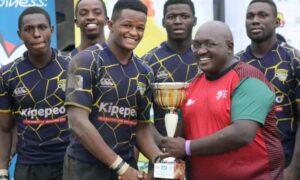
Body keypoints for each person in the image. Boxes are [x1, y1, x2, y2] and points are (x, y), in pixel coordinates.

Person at [160, 21, 284, 180]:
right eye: (196, 45)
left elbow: (242, 133)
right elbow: (180, 139)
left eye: (209, 44)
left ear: (229, 47)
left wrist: (187, 147)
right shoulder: (194, 84)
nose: (201, 51)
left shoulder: (249, 78)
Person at [63, 1, 164, 180]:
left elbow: (141, 128)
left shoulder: (145, 72)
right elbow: (77, 122)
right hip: (85, 168)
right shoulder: (83, 61)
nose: (134, 32)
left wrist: (161, 161)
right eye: (127, 25)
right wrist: (121, 167)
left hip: (126, 166)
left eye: (140, 28)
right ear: (110, 25)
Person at [0, 7, 70, 180]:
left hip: (69, 161)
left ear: (51, 30)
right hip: (28, 165)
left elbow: (85, 116)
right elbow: (5, 128)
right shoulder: (8, 74)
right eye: (29, 29)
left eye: (42, 27)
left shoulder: (72, 67)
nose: (36, 34)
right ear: (19, 34)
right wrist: (2, 170)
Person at [236, 0, 300, 179]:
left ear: (276, 22)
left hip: (284, 163)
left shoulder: (294, 59)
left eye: (262, 15)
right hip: (243, 163)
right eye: (250, 16)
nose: (255, 20)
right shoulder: (235, 63)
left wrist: (295, 168)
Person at [142, 0, 198, 140]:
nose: (178, 21)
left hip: (202, 149)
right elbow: (139, 118)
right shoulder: (148, 61)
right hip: (162, 150)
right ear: (163, 22)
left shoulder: (206, 57)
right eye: (171, 17)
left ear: (194, 21)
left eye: (184, 16)